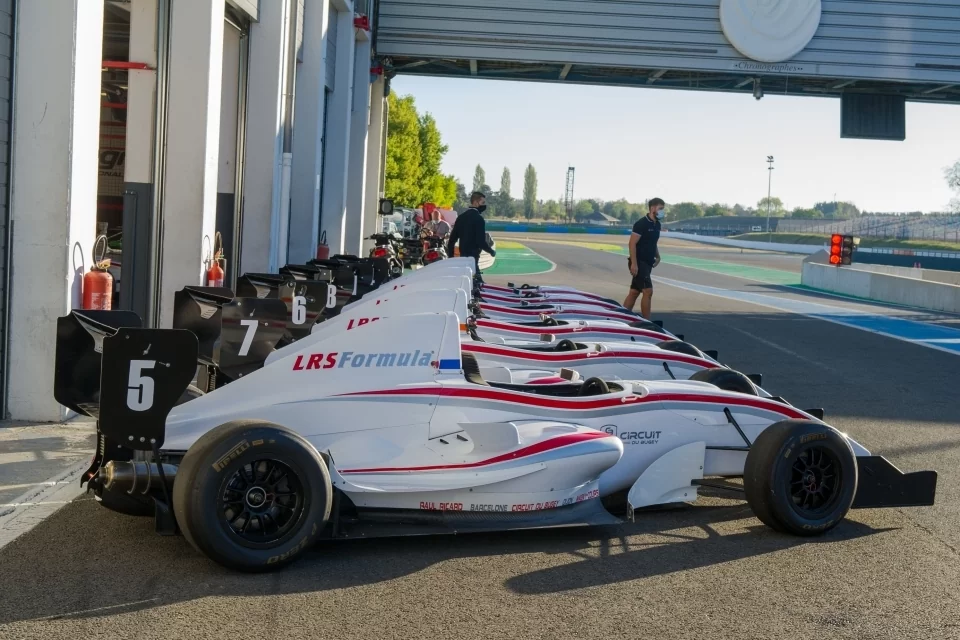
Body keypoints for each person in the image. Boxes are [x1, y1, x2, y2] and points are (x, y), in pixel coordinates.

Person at [624, 197, 665, 319]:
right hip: (639, 263)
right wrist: (634, 264)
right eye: (660, 208)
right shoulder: (641, 223)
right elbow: (632, 244)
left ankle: (621, 317)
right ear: (652, 208)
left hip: (647, 263)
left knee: (634, 292)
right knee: (648, 291)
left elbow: (653, 242)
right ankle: (647, 322)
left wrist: (657, 256)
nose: (662, 211)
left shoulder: (657, 224)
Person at [448, 192, 496, 274]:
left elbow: (452, 240)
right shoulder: (479, 219)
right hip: (473, 259)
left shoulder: (461, 217)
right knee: (477, 282)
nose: (484, 205)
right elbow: (481, 242)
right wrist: (491, 251)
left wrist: (451, 257)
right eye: (482, 202)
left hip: (463, 257)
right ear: (475, 202)